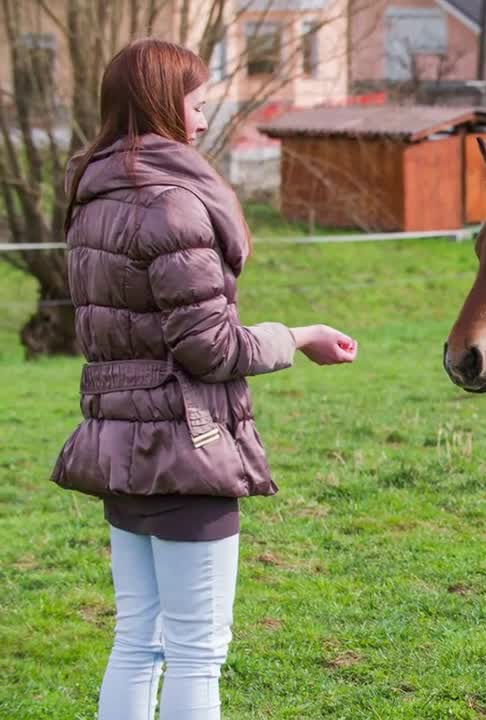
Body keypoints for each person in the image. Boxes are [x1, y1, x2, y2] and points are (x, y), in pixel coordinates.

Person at [51, 38, 357, 720]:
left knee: (137, 639)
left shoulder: (92, 200)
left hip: (119, 446)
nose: (203, 117)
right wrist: (299, 337)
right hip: (187, 445)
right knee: (196, 651)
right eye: (195, 102)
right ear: (162, 104)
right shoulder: (173, 206)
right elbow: (208, 348)